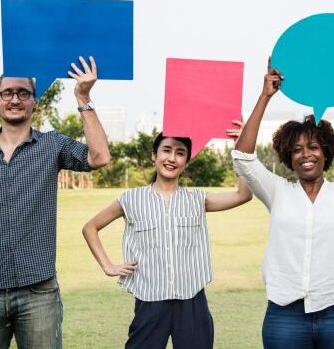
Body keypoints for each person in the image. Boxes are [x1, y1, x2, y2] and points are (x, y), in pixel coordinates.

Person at [0, 56, 111, 348]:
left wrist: (83, 97)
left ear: (34, 102)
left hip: (38, 293)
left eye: (23, 93)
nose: (15, 99)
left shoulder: (53, 145)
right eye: (7, 93)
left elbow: (99, 157)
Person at [232, 59, 334, 349]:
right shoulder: (277, 191)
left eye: (314, 147)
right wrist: (265, 96)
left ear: (326, 152)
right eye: (297, 150)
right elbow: (242, 157)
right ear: (288, 157)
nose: (306, 155)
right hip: (284, 314)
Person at [83, 132, 252, 349]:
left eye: (180, 153)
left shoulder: (198, 200)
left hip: (192, 302)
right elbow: (90, 227)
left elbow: (243, 195)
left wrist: (242, 147)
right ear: (154, 155)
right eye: (166, 150)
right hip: (150, 303)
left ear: (186, 163)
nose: (172, 158)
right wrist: (108, 265)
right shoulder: (131, 200)